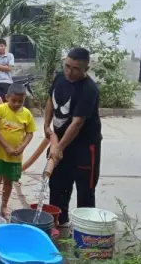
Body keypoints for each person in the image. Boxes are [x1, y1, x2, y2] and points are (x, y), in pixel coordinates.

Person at [44, 47, 101, 227]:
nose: (69, 71)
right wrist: (47, 126)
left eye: (75, 68)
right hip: (59, 141)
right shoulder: (60, 77)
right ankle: (59, 222)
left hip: (84, 147)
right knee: (57, 183)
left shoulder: (88, 89)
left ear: (86, 69)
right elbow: (49, 101)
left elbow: (77, 123)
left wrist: (59, 148)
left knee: (85, 189)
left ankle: (86, 229)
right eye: (67, 66)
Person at [0, 83, 36, 217]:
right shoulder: (0, 109)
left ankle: (4, 206)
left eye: (20, 101)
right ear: (7, 97)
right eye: (13, 100)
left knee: (8, 182)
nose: (16, 104)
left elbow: (30, 133)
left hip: (15, 156)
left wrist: (22, 147)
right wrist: (6, 147)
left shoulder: (26, 114)